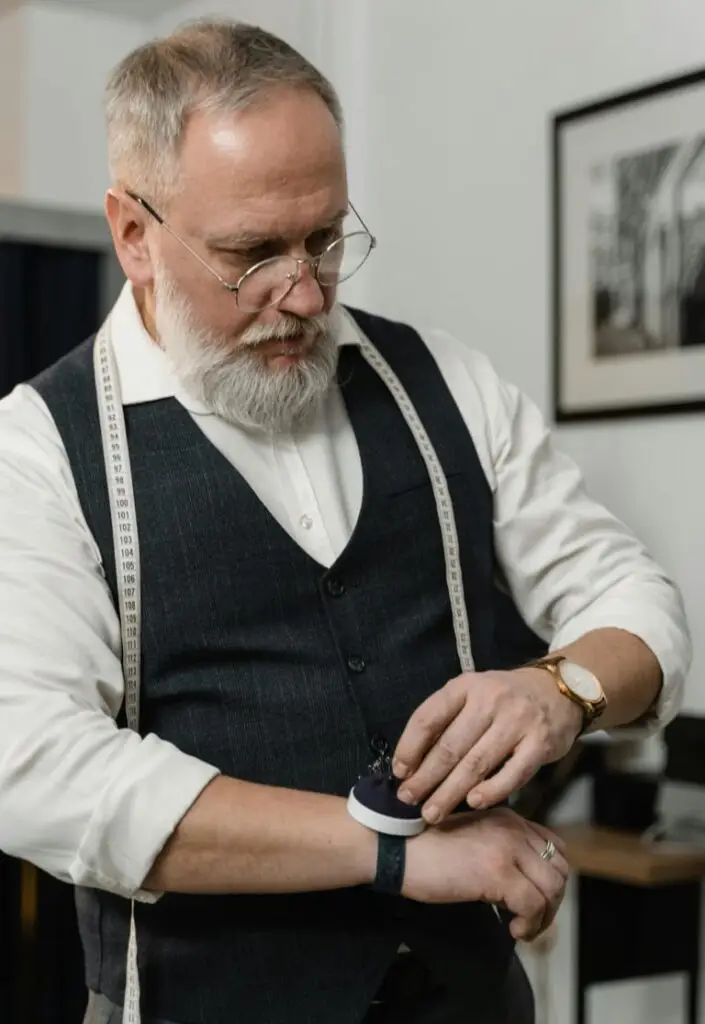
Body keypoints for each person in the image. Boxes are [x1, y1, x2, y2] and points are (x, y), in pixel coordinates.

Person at [0, 19, 690, 1024]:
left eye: (325, 238)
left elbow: (633, 595)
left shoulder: (448, 382)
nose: (304, 293)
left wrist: (562, 689)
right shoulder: (39, 446)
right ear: (134, 234)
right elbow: (34, 768)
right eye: (251, 253)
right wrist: (389, 854)